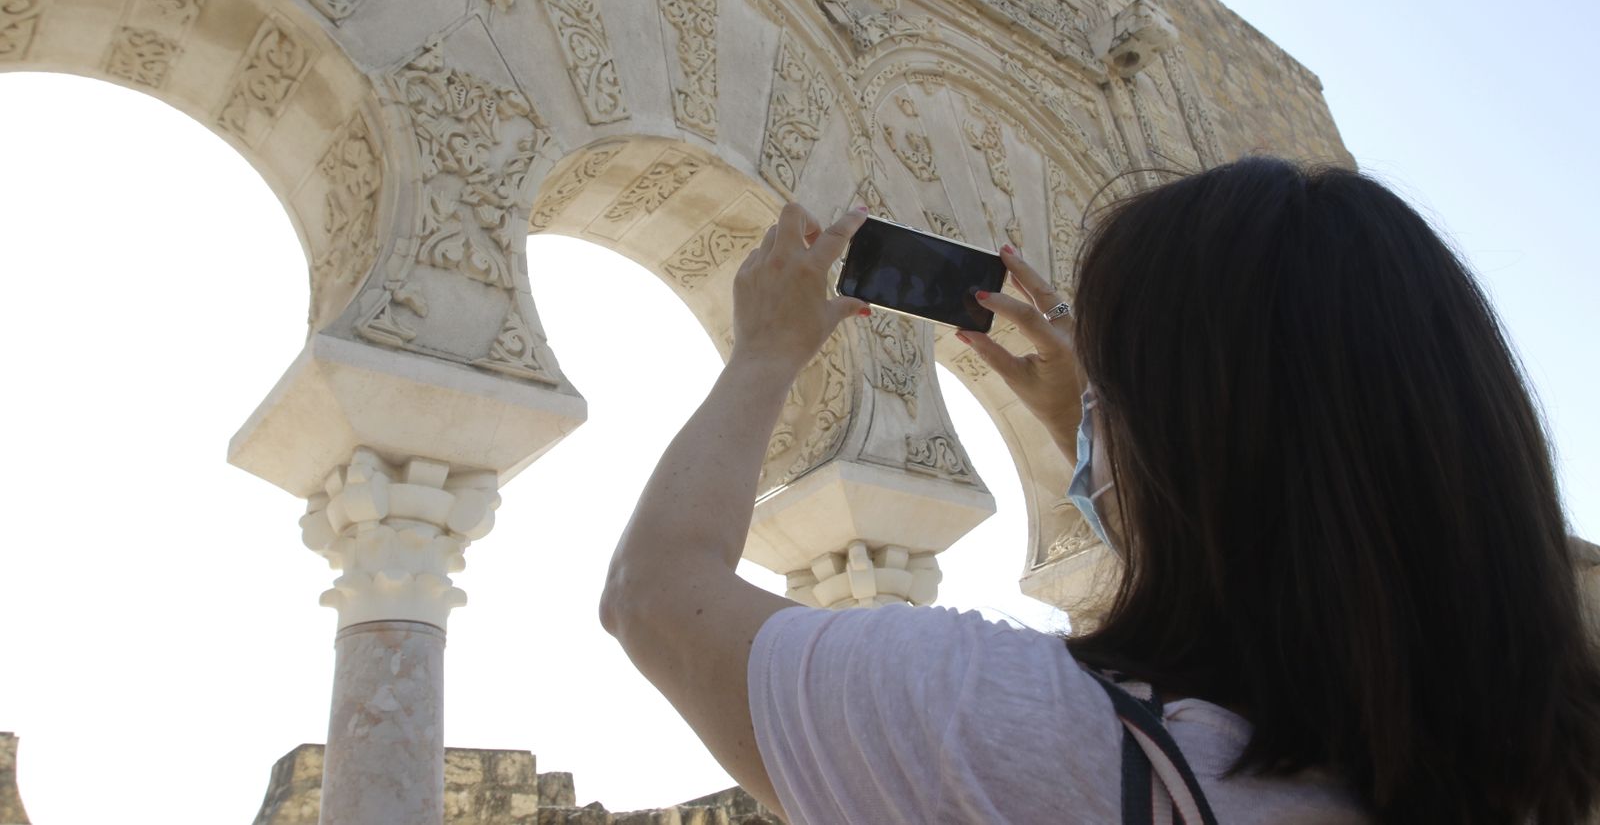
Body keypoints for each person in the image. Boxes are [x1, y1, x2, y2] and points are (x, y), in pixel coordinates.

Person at [599, 156, 1600, 823]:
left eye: (1116, 399)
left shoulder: (1018, 735)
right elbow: (1271, 579)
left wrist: (763, 355)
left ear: (1171, 443)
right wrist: (1106, 429)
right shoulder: (1514, 777)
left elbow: (653, 594)